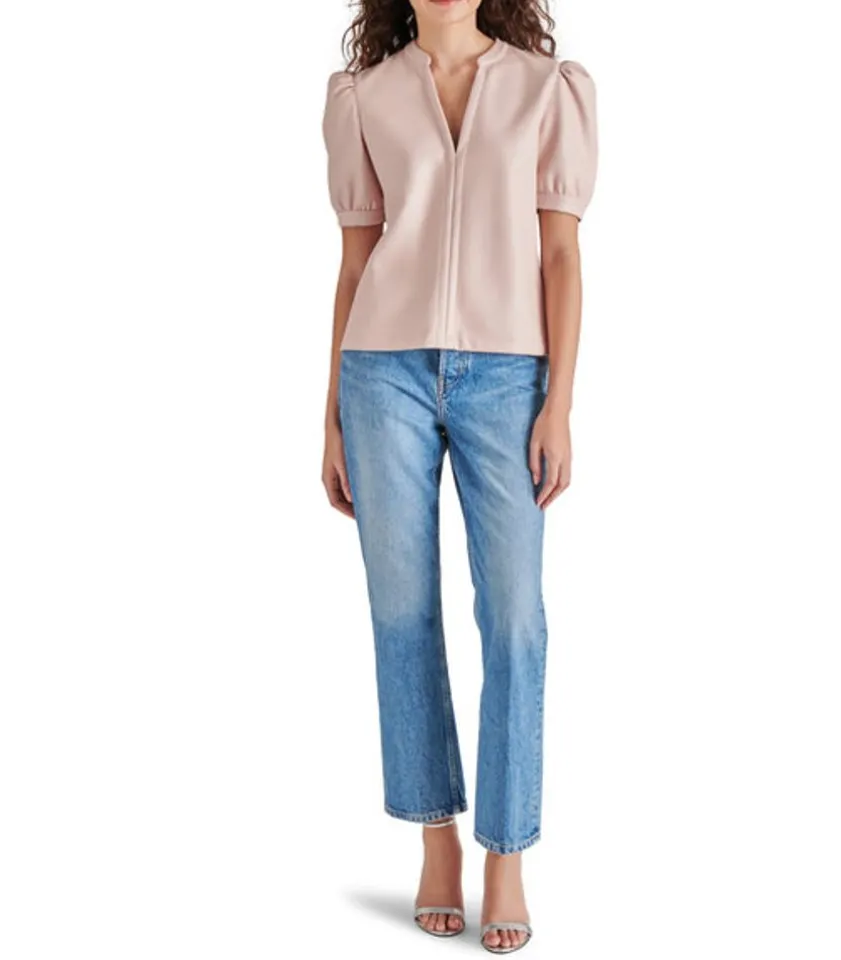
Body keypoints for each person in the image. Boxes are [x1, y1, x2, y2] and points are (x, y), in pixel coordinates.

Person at [320, 0, 597, 953]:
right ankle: (434, 838)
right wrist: (331, 413)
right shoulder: (365, 97)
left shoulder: (546, 90)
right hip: (381, 373)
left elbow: (560, 253)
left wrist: (559, 403)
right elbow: (355, 262)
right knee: (401, 612)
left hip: (509, 377)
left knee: (515, 617)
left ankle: (505, 856)